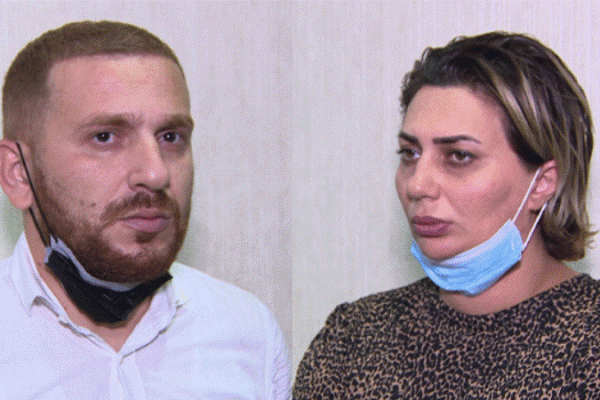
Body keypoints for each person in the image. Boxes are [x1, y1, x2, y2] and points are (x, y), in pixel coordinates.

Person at [294, 32, 600, 398]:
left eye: (458, 156)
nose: (417, 185)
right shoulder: (353, 340)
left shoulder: (590, 343)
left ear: (542, 183)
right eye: (410, 153)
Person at [0, 20, 290, 399]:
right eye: (105, 137)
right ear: (19, 174)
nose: (155, 174)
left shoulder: (249, 335)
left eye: (171, 137)